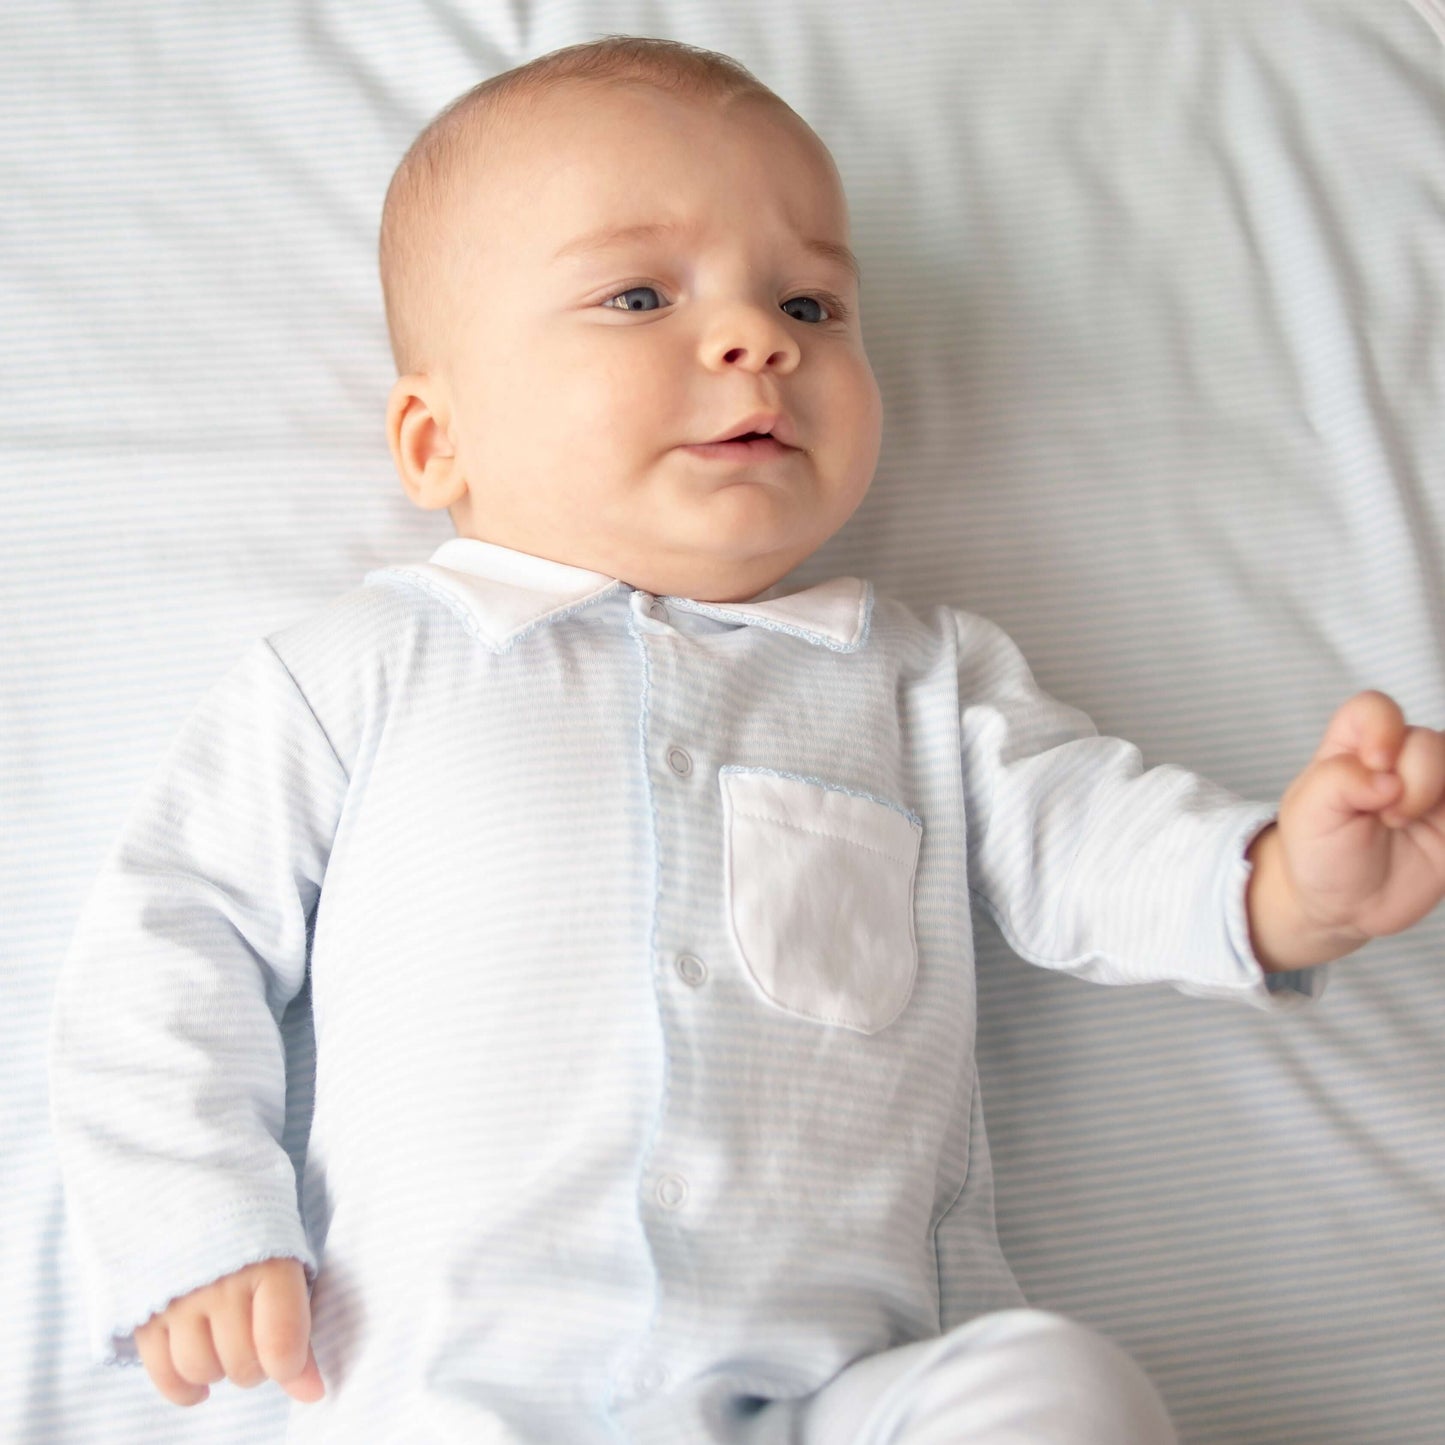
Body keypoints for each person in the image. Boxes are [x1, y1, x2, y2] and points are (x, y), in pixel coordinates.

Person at [49, 35, 1445, 1445]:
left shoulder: (910, 679)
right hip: (454, 1387)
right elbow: (174, 932)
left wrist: (1273, 884)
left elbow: (1085, 832)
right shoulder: (367, 665)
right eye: (638, 293)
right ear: (434, 441)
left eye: (811, 302)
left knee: (1059, 1390)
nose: (758, 338)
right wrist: (197, 1214)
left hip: (843, 1384)